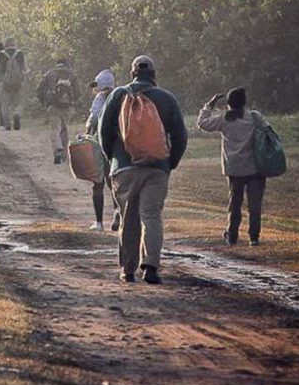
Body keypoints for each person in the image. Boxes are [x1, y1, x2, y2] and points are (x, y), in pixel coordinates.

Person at [99, 56, 188, 285]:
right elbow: (180, 135)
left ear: (132, 74)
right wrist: (170, 163)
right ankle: (150, 266)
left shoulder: (118, 95)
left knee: (129, 219)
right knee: (151, 216)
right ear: (154, 75)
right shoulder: (167, 99)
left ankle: (127, 270)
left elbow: (103, 131)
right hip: (156, 169)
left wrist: (113, 158)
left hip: (124, 168)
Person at [197, 87, 269, 246]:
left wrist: (209, 105)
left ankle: (232, 235)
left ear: (229, 103)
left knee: (234, 204)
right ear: (244, 102)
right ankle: (254, 237)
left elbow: (202, 123)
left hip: (235, 168)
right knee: (255, 205)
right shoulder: (254, 117)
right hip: (255, 167)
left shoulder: (224, 118)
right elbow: (267, 131)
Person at [86, 69, 119, 231]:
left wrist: (86, 133)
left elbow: (94, 118)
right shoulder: (122, 96)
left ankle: (99, 223)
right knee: (114, 182)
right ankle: (117, 215)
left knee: (98, 183)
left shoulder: (100, 98)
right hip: (118, 146)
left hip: (101, 145)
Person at [37, 59, 80, 164]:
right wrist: (73, 101)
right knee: (64, 129)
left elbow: (40, 89)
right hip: (68, 107)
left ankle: (57, 151)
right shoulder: (72, 75)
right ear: (67, 64)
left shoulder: (50, 73)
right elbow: (78, 92)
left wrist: (44, 102)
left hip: (53, 106)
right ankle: (65, 154)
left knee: (55, 129)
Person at [0, 37, 26, 131]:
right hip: (18, 83)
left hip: (5, 83)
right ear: (14, 43)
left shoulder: (1, 54)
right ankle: (16, 114)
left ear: (5, 44)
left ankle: (7, 124)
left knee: (4, 104)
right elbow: (25, 68)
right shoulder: (20, 54)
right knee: (19, 102)